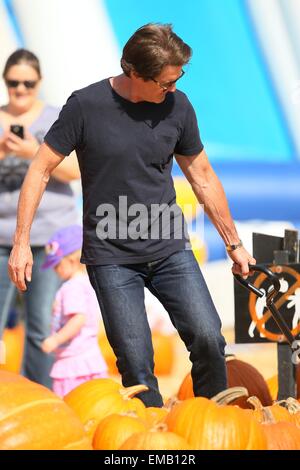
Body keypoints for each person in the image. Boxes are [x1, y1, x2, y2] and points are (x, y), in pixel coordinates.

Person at [8, 24, 256, 407]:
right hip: (112, 259)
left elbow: (202, 176)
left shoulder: (179, 106)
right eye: (164, 83)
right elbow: (40, 169)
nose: (172, 89)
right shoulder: (85, 107)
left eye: (177, 80)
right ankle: (152, 439)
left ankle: (212, 422)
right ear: (134, 73)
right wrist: (21, 241)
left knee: (209, 337)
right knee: (137, 363)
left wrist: (234, 243)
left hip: (170, 248)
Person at [0, 49, 80, 387]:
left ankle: (38, 399)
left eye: (27, 84)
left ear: (39, 82)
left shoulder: (55, 117)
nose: (20, 90)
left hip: (49, 237)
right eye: (13, 83)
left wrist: (32, 151)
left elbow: (75, 171)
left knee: (41, 324)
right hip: (2, 237)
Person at [41, 225, 108, 397]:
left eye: (57, 265)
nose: (55, 271)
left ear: (71, 261)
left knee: (71, 407)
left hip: (73, 363)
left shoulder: (72, 287)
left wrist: (56, 339)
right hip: (89, 357)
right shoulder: (87, 282)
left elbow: (78, 319)